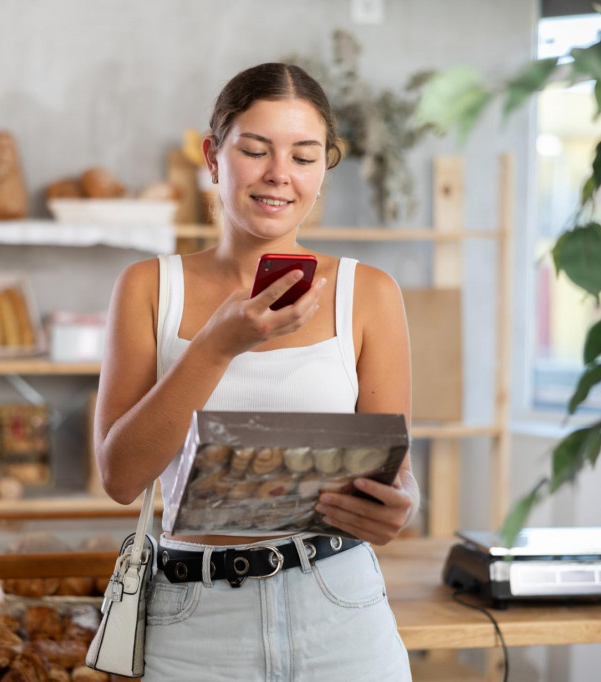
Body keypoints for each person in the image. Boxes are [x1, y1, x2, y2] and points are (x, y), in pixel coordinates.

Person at [94, 62, 417, 681]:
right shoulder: (147, 288)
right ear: (214, 157)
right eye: (255, 149)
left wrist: (404, 502)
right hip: (194, 620)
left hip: (340, 609)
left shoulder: (368, 293)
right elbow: (120, 475)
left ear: (324, 169)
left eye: (303, 155)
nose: (279, 174)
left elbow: (394, 466)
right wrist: (216, 346)